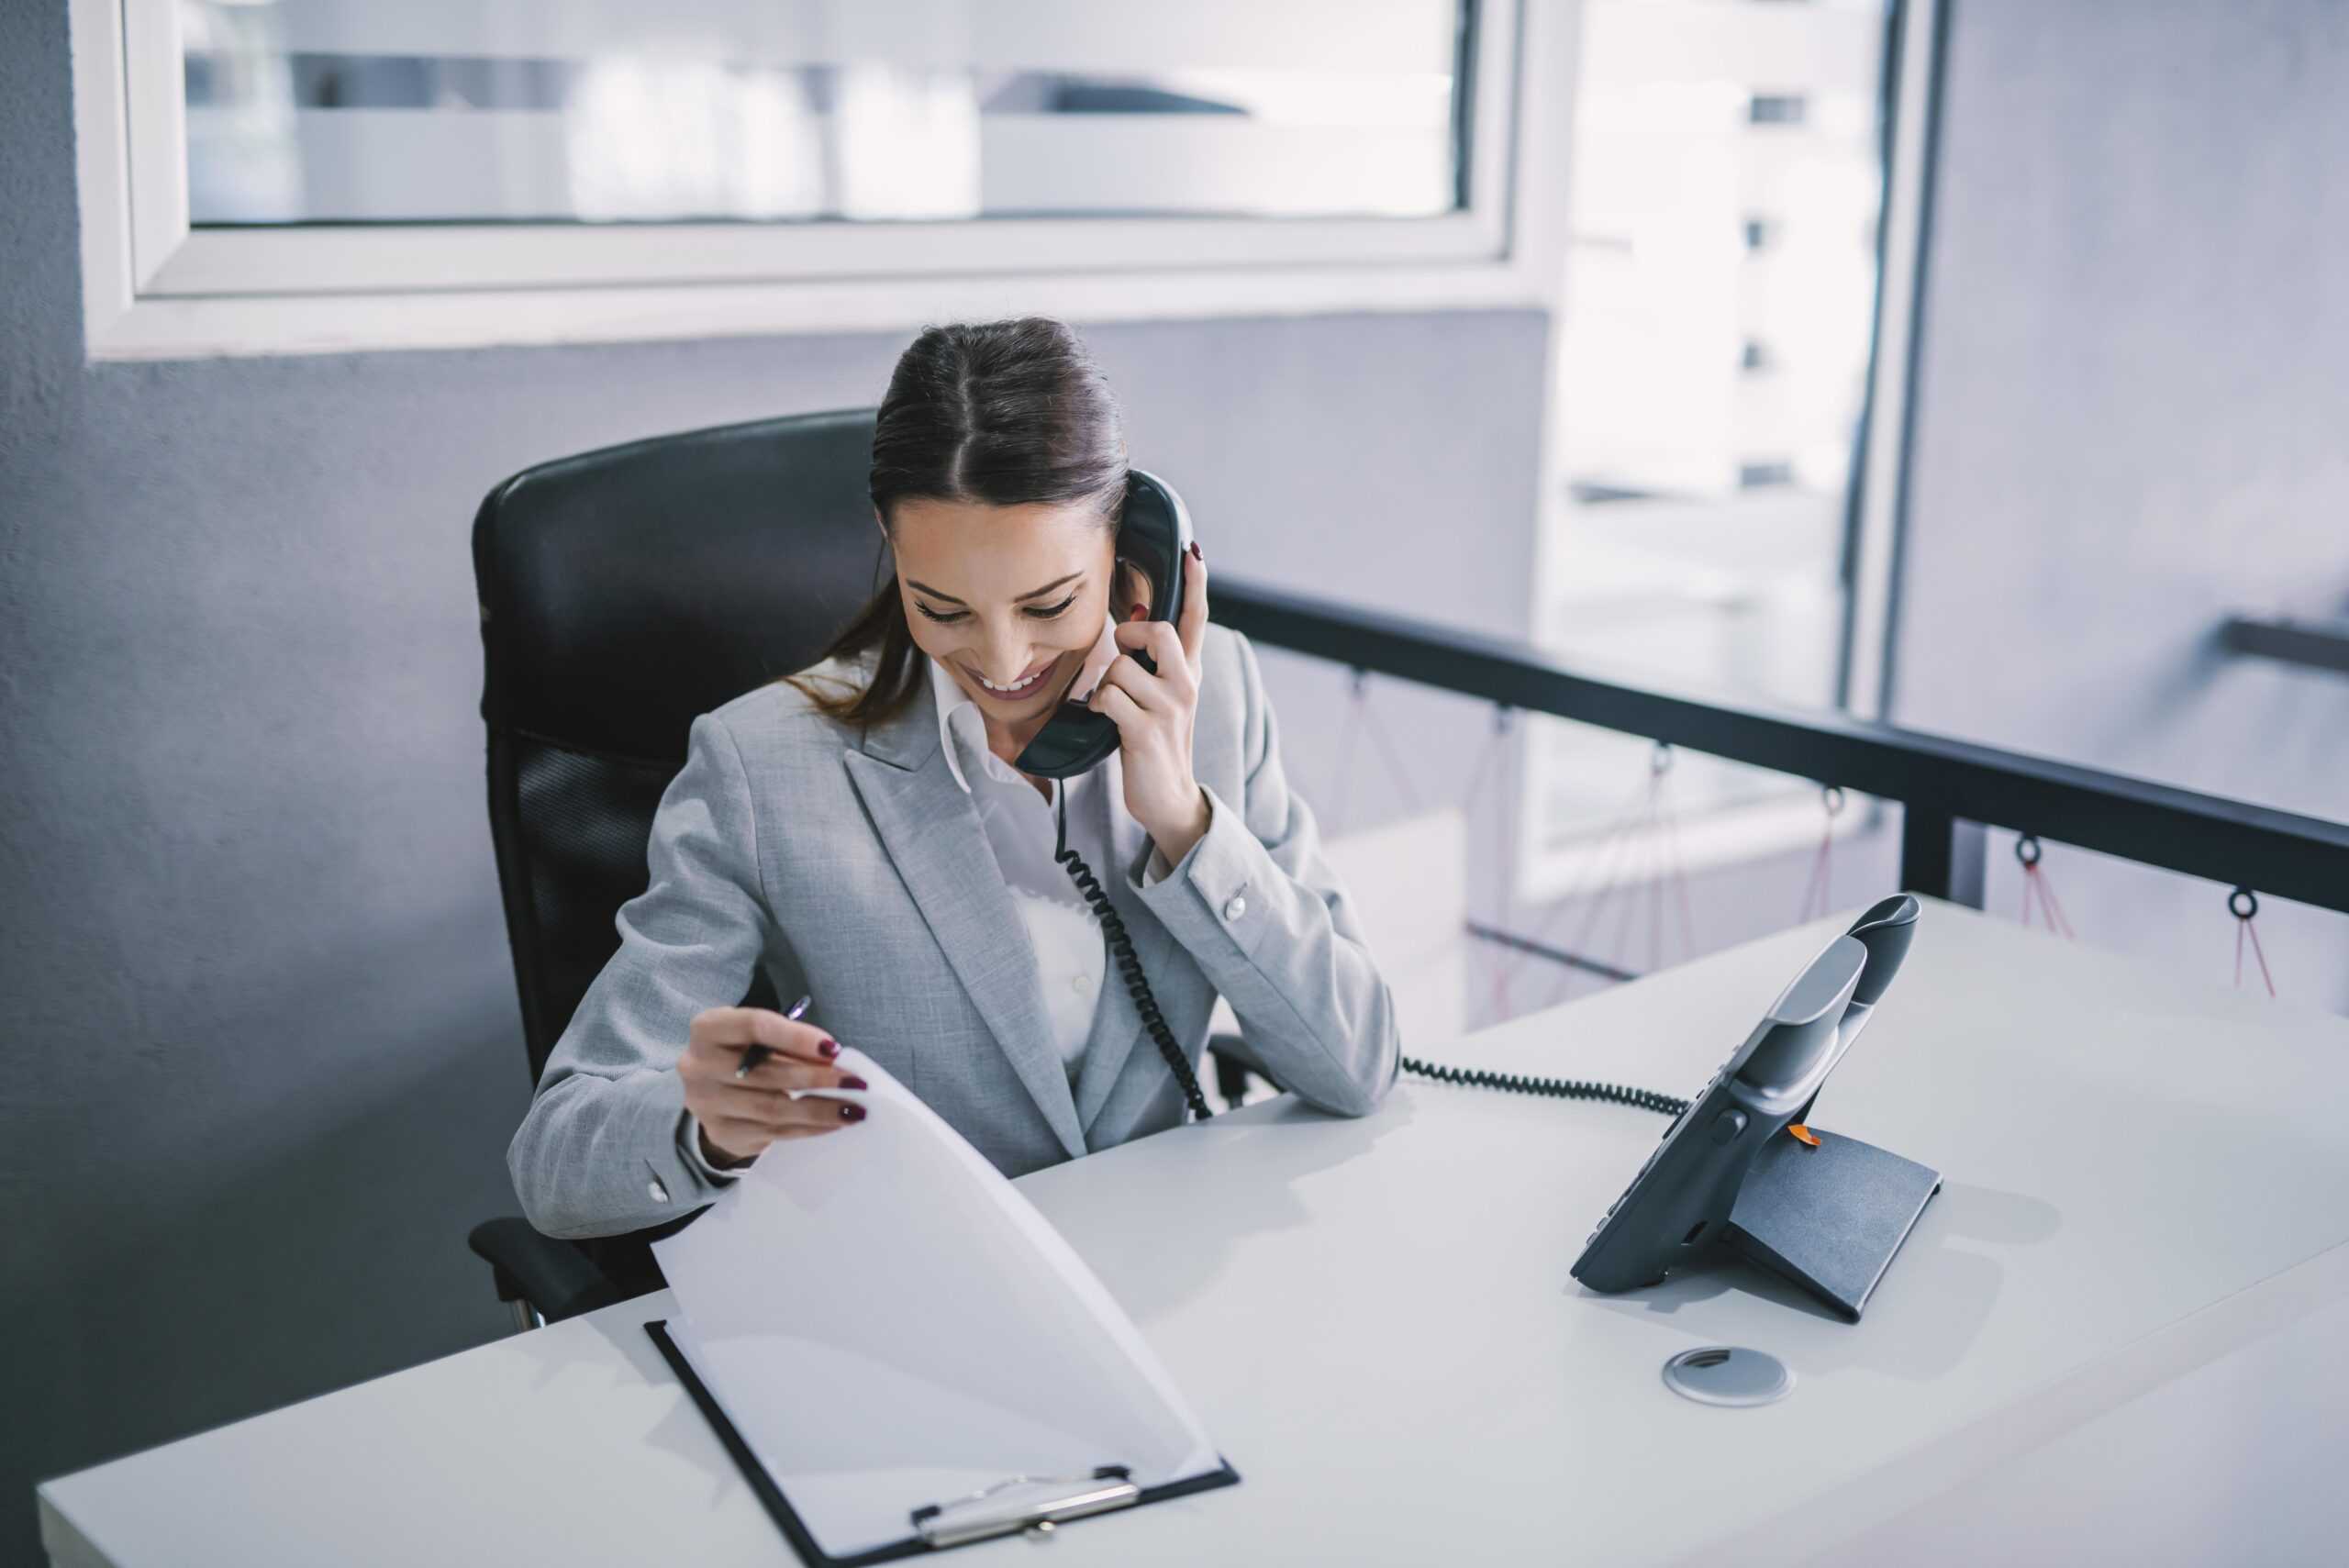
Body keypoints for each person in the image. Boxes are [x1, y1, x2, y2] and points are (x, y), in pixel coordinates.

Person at [508, 317, 1398, 1240]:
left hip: (1168, 1265)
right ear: (893, 556)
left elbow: (1356, 1062)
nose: (1003, 660)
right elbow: (556, 1154)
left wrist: (1182, 819)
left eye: (1049, 603)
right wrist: (705, 1130)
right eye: (942, 607)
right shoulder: (762, 766)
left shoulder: (1212, 704)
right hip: (923, 1294)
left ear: (1133, 562)